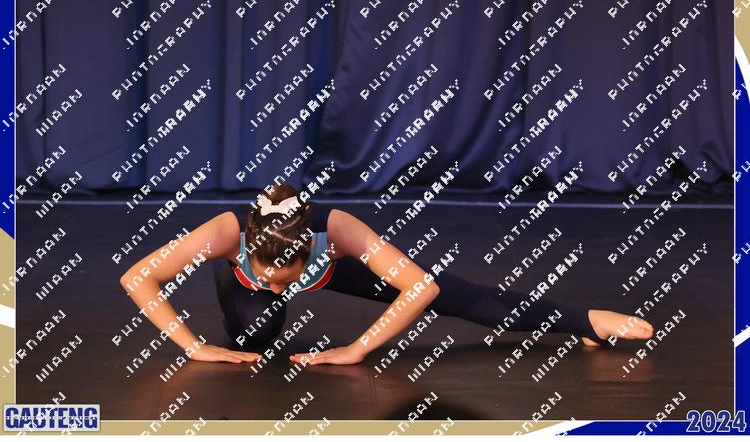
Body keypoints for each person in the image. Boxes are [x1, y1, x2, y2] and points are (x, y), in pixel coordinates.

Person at [119, 181, 654, 365]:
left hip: (336, 270)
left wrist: (356, 349)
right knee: (256, 333)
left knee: (455, 294)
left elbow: (422, 286)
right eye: (272, 278)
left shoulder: (337, 232)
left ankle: (583, 320)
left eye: (290, 278)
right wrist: (193, 348)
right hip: (241, 292)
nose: (282, 287)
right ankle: (248, 306)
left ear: (311, 251)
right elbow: (136, 277)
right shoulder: (225, 234)